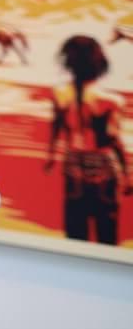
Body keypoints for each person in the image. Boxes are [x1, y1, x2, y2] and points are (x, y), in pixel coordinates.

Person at [44, 36, 129, 244]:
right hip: (103, 166)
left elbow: (56, 129)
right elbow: (114, 139)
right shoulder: (111, 101)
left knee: (75, 232)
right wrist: (128, 173)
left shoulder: (60, 94)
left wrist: (51, 157)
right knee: (107, 231)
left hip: (73, 163)